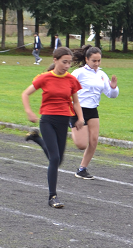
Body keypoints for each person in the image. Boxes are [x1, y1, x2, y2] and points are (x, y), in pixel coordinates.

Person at [21, 47, 85, 209]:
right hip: (47, 120)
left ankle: (36, 138)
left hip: (63, 121)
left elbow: (76, 102)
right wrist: (29, 111)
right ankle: (52, 196)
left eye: (69, 63)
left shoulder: (71, 80)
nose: (67, 66)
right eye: (64, 62)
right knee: (55, 158)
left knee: (58, 159)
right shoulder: (45, 78)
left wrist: (80, 118)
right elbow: (25, 94)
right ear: (55, 60)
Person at [69, 45, 119, 180]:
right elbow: (67, 88)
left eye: (99, 61)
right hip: (77, 109)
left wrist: (113, 87)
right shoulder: (78, 73)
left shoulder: (102, 74)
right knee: (81, 145)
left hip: (92, 110)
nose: (96, 64)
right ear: (86, 59)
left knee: (94, 140)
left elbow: (111, 94)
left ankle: (82, 169)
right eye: (94, 61)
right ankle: (69, 125)